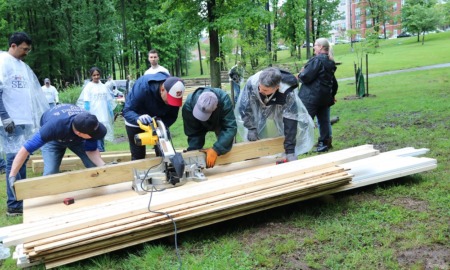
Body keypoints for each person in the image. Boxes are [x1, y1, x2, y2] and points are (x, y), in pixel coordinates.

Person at [8, 104, 108, 205]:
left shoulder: (89, 124)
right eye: (93, 135)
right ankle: (49, 204)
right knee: (50, 173)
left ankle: (100, 198)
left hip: (78, 140)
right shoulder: (52, 127)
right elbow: (25, 150)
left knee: (95, 167)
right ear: (79, 133)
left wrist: (103, 166)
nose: (96, 136)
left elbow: (91, 150)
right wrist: (12, 175)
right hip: (53, 140)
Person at [0, 32, 50, 216]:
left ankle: (22, 197)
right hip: (10, 122)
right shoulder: (2, 61)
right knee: (14, 159)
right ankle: (14, 205)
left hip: (24, 120)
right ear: (13, 45)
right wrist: (5, 117)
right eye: (24, 49)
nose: (26, 52)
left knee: (23, 158)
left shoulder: (22, 66)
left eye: (28, 49)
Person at [235, 67, 314, 162]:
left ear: (277, 88)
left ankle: (286, 153)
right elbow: (245, 107)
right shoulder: (253, 83)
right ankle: (255, 154)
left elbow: (291, 121)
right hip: (256, 103)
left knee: (283, 129)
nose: (260, 90)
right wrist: (251, 128)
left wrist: (290, 151)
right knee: (256, 130)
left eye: (265, 90)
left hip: (279, 104)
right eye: (260, 87)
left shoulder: (287, 92)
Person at [122, 72, 185, 160]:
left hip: (158, 120)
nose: (171, 103)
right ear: (162, 89)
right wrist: (137, 118)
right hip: (136, 117)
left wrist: (162, 127)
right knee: (138, 154)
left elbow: (172, 116)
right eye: (170, 99)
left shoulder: (175, 87)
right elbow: (127, 111)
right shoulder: (142, 88)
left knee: (164, 152)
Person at [298, 38, 338, 152]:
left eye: (315, 45)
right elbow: (333, 82)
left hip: (311, 97)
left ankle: (304, 146)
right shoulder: (330, 61)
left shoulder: (316, 61)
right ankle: (324, 144)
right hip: (324, 98)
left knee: (305, 121)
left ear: (320, 47)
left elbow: (306, 77)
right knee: (324, 121)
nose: (314, 47)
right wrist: (332, 94)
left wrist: (301, 73)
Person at [182, 87, 237, 168]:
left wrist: (216, 149)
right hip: (197, 122)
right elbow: (193, 133)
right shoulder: (188, 106)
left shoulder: (224, 101)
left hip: (219, 121)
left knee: (225, 155)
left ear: (216, 107)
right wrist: (194, 152)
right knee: (195, 147)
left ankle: (225, 163)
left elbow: (230, 128)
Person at [77, 67, 116, 151]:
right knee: (95, 133)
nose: (96, 77)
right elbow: (86, 103)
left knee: (101, 133)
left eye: (98, 74)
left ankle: (102, 150)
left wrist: (111, 113)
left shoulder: (103, 86)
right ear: (91, 76)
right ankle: (99, 151)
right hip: (94, 114)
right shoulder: (88, 87)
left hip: (104, 114)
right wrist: (87, 114)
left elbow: (108, 101)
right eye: (94, 75)